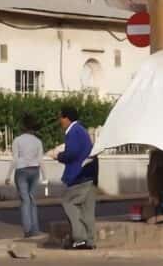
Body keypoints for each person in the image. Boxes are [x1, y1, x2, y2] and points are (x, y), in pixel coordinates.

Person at [57, 106, 99, 250]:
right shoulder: (82, 130)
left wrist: (58, 155)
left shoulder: (73, 131)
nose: (59, 121)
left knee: (68, 202)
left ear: (67, 118)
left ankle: (80, 238)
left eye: (61, 117)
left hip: (79, 175)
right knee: (87, 209)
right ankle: (90, 240)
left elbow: (72, 153)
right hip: (89, 175)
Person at [5, 114, 46, 238]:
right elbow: (41, 160)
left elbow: (15, 159)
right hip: (35, 170)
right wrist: (45, 176)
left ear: (22, 126)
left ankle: (28, 230)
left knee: (25, 200)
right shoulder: (38, 141)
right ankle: (35, 229)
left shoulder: (17, 140)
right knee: (32, 199)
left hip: (21, 170)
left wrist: (8, 175)